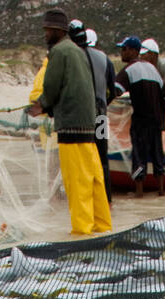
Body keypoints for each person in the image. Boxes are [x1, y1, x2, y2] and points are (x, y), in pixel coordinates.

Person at [27, 9, 111, 237]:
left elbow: (52, 88)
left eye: (47, 30)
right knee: (94, 178)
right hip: (88, 126)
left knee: (77, 182)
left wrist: (40, 106)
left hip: (71, 127)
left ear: (58, 31)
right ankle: (102, 227)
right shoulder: (77, 51)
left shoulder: (59, 52)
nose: (45, 34)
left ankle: (82, 232)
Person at [67, 19, 116, 201]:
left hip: (81, 118)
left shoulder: (71, 58)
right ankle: (107, 199)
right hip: (101, 114)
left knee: (82, 159)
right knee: (102, 158)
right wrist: (104, 103)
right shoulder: (104, 58)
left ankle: (86, 200)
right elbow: (114, 89)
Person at [111, 37, 165, 197]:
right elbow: (164, 94)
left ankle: (139, 192)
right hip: (156, 120)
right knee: (157, 154)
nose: (122, 52)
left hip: (141, 120)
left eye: (124, 49)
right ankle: (161, 190)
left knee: (139, 155)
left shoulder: (129, 69)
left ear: (135, 51)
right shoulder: (152, 69)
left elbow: (115, 91)